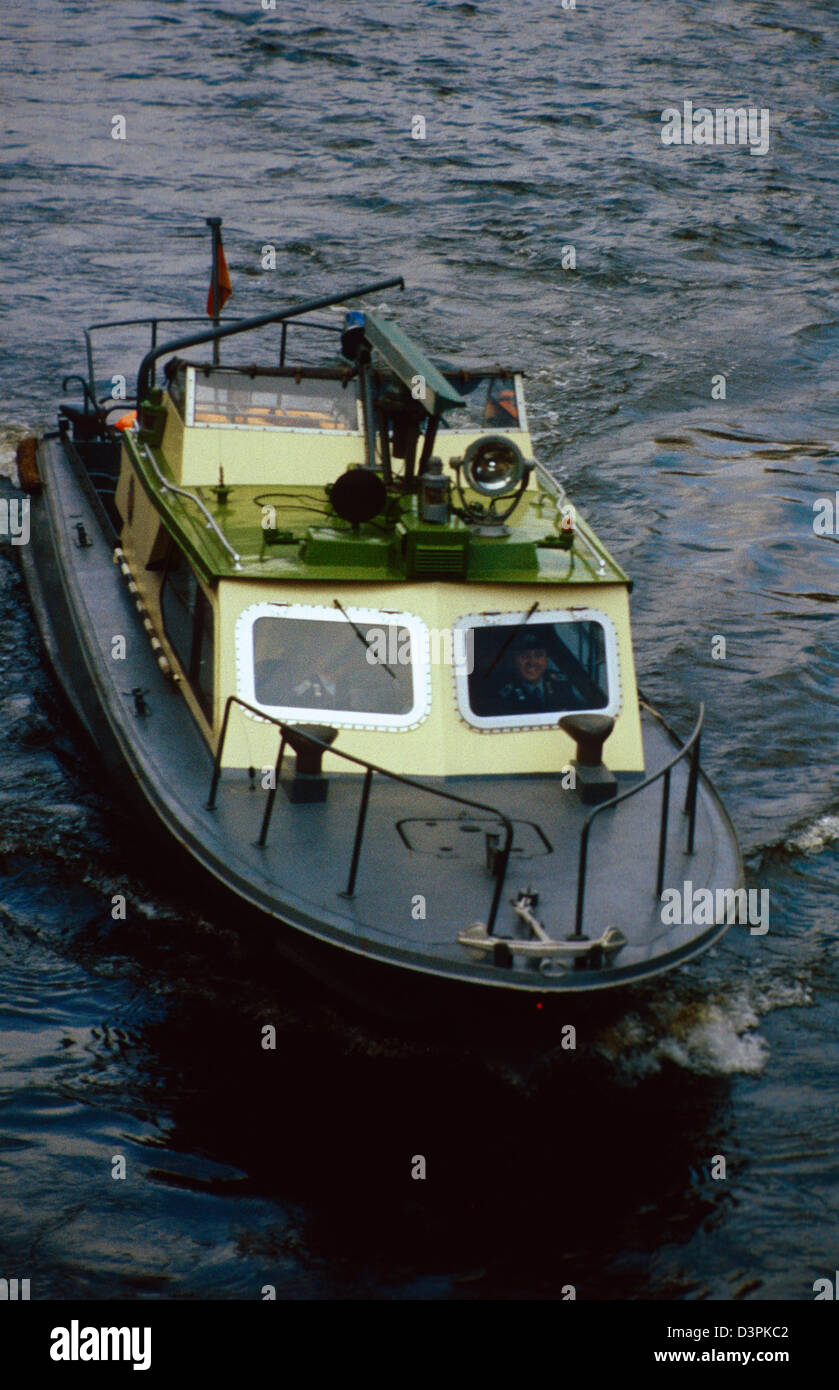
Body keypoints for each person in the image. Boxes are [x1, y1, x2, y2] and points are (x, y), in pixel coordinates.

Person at [493, 631, 573, 714]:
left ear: (546, 659)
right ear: (513, 660)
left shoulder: (561, 685)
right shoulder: (504, 696)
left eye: (538, 655)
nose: (532, 662)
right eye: (524, 656)